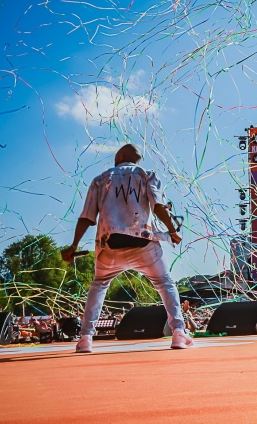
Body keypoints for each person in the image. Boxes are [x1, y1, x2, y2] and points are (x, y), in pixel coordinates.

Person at [61, 144, 192, 353]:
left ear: (120, 156)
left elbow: (87, 217)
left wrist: (74, 245)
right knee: (164, 282)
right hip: (143, 243)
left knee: (99, 285)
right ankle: (178, 332)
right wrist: (172, 231)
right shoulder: (147, 175)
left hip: (110, 246)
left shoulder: (100, 179)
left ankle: (85, 338)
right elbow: (158, 207)